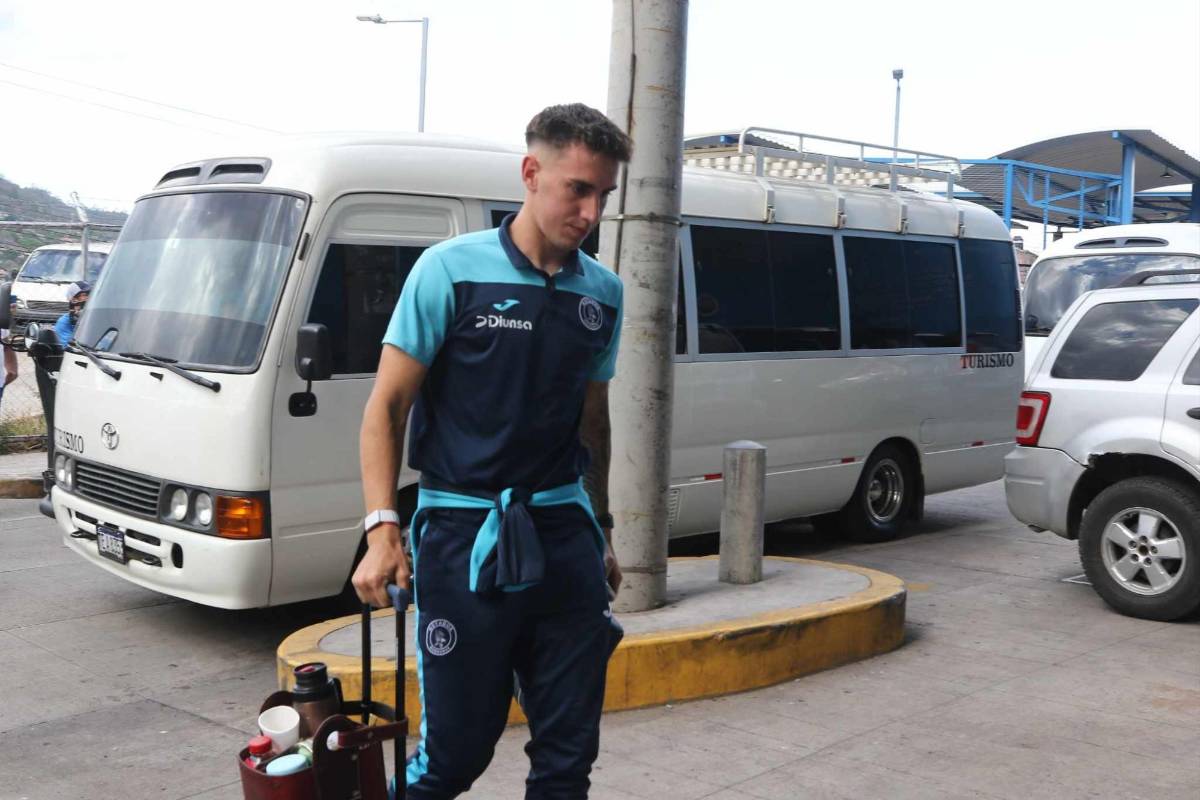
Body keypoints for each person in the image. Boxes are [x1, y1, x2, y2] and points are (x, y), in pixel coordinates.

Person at [354, 103, 632, 799]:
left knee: (568, 761)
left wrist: (600, 528)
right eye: (578, 189)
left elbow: (592, 423)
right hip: (462, 535)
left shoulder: (603, 293)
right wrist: (383, 529)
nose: (591, 213)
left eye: (604, 195)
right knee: (453, 757)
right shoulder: (449, 271)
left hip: (564, 536)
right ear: (531, 174)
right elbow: (387, 407)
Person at [53, 281, 91, 345]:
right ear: (74, 298)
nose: (88, 297)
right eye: (84, 295)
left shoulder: (90, 317)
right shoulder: (64, 321)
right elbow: (66, 347)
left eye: (89, 294)